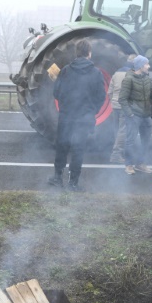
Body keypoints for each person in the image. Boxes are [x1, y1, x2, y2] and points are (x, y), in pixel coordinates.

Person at [47, 39, 105, 191]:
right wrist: (91, 111)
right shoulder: (96, 73)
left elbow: (57, 93)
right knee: (78, 150)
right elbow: (101, 97)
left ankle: (57, 178)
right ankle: (73, 183)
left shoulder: (66, 70)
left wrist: (66, 105)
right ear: (89, 53)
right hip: (84, 119)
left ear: (76, 53)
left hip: (66, 116)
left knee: (62, 147)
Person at [118, 55, 152, 175]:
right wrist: (130, 114)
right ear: (141, 66)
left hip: (146, 116)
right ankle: (129, 165)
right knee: (130, 141)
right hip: (134, 116)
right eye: (147, 64)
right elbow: (122, 99)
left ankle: (140, 164)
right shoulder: (128, 79)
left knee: (146, 140)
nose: (149, 66)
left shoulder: (146, 78)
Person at [108, 54, 137, 164]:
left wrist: (113, 101)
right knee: (123, 130)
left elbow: (110, 91)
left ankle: (120, 151)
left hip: (115, 105)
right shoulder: (132, 74)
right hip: (125, 106)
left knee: (118, 129)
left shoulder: (117, 73)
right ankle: (116, 154)